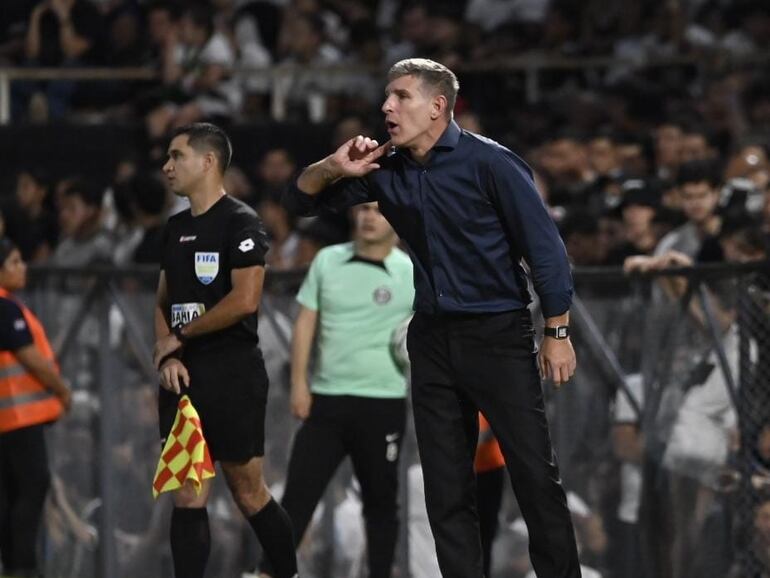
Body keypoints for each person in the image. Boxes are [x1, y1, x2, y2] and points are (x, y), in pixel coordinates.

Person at [284, 58, 580, 578]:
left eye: (401, 96)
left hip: (498, 333)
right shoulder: (386, 167)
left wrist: (556, 330)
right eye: (387, 96)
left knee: (534, 475)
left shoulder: (492, 163)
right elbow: (301, 201)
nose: (387, 106)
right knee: (445, 486)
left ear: (438, 106)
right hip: (432, 338)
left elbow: (546, 250)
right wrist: (333, 166)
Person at [151, 123, 297, 578]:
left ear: (208, 161)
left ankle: (285, 572)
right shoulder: (174, 228)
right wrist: (167, 354)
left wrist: (181, 337)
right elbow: (162, 300)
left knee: (248, 492)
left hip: (231, 374)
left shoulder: (241, 221)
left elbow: (245, 300)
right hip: (182, 378)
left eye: (176, 156)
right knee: (187, 492)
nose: (167, 166)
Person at [259, 201, 414, 578]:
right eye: (363, 208)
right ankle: (268, 573)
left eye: (379, 210)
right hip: (326, 400)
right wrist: (299, 383)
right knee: (298, 497)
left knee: (381, 504)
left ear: (397, 220)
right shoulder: (328, 261)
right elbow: (305, 322)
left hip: (383, 401)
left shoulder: (410, 271)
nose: (369, 216)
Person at [0, 237, 71, 578]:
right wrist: (62, 390)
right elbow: (30, 358)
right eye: (14, 262)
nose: (22, 267)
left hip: (10, 419)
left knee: (11, 494)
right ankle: (22, 566)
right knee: (31, 487)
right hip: (18, 417)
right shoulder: (6, 308)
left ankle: (13, 565)